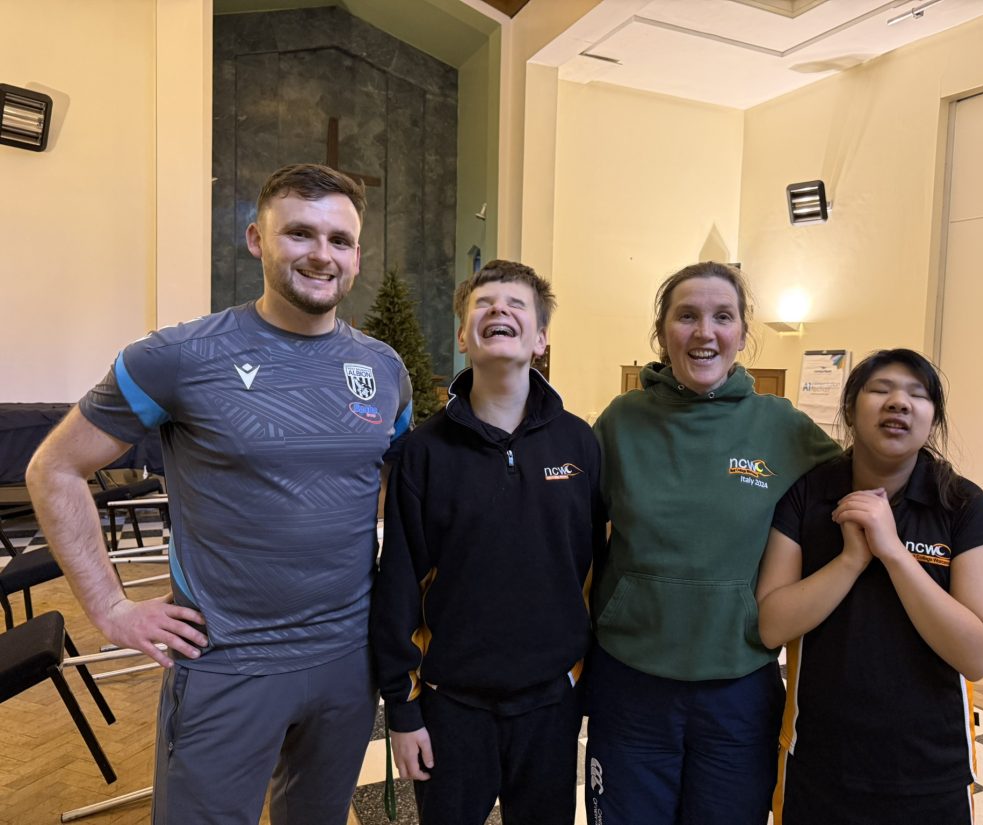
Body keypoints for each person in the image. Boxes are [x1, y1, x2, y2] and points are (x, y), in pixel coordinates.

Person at [26, 163, 412, 825]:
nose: (322, 254)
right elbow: (53, 468)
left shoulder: (383, 369)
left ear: (356, 254)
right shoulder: (178, 357)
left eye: (340, 240)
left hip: (348, 663)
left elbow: (382, 485)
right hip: (229, 663)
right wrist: (109, 606)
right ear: (256, 239)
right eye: (299, 233)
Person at [583, 262, 983, 825]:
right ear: (663, 331)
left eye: (723, 317)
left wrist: (980, 544)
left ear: (743, 333)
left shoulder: (780, 426)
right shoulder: (621, 422)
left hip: (737, 682)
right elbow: (568, 524)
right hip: (631, 678)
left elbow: (875, 466)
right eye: (686, 316)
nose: (704, 332)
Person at [370, 260, 604, 825]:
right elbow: (398, 581)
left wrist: (587, 682)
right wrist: (402, 712)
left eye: (517, 304)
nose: (499, 309)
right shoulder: (424, 453)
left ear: (541, 338)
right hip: (451, 703)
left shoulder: (579, 443)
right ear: (462, 335)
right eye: (484, 303)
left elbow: (598, 567)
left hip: (551, 702)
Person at [756, 349, 983, 824]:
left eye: (918, 394)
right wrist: (851, 559)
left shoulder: (962, 504)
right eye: (879, 390)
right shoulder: (809, 494)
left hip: (930, 771)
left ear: (933, 418)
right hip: (819, 763)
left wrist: (892, 552)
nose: (899, 403)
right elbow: (771, 626)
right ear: (850, 410)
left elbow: (976, 656)